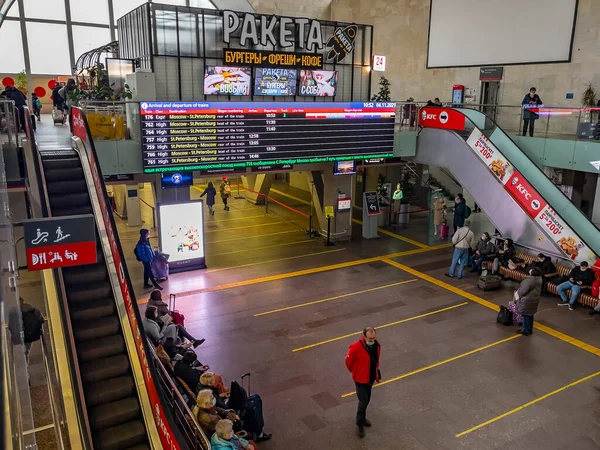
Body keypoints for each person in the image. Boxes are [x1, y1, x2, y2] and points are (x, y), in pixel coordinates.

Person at [345, 327, 381, 438]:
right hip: (360, 379)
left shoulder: (376, 345)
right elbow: (348, 362)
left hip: (370, 378)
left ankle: (362, 418)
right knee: (363, 401)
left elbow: (376, 359)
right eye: (370, 338)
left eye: (373, 338)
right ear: (364, 336)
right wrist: (355, 372)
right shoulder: (355, 347)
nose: (372, 340)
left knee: (367, 400)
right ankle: (360, 423)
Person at [8, 298, 45, 364]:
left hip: (18, 335)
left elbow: (10, 326)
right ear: (23, 301)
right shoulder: (34, 310)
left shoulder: (12, 311)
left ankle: (20, 362)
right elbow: (42, 320)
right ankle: (26, 360)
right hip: (29, 334)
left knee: (20, 350)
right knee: (27, 350)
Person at [514, 267, 543, 336]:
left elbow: (523, 291)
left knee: (525, 315)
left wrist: (517, 295)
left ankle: (525, 330)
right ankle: (529, 329)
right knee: (530, 315)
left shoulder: (530, 280)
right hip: (534, 299)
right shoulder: (539, 278)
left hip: (527, 300)